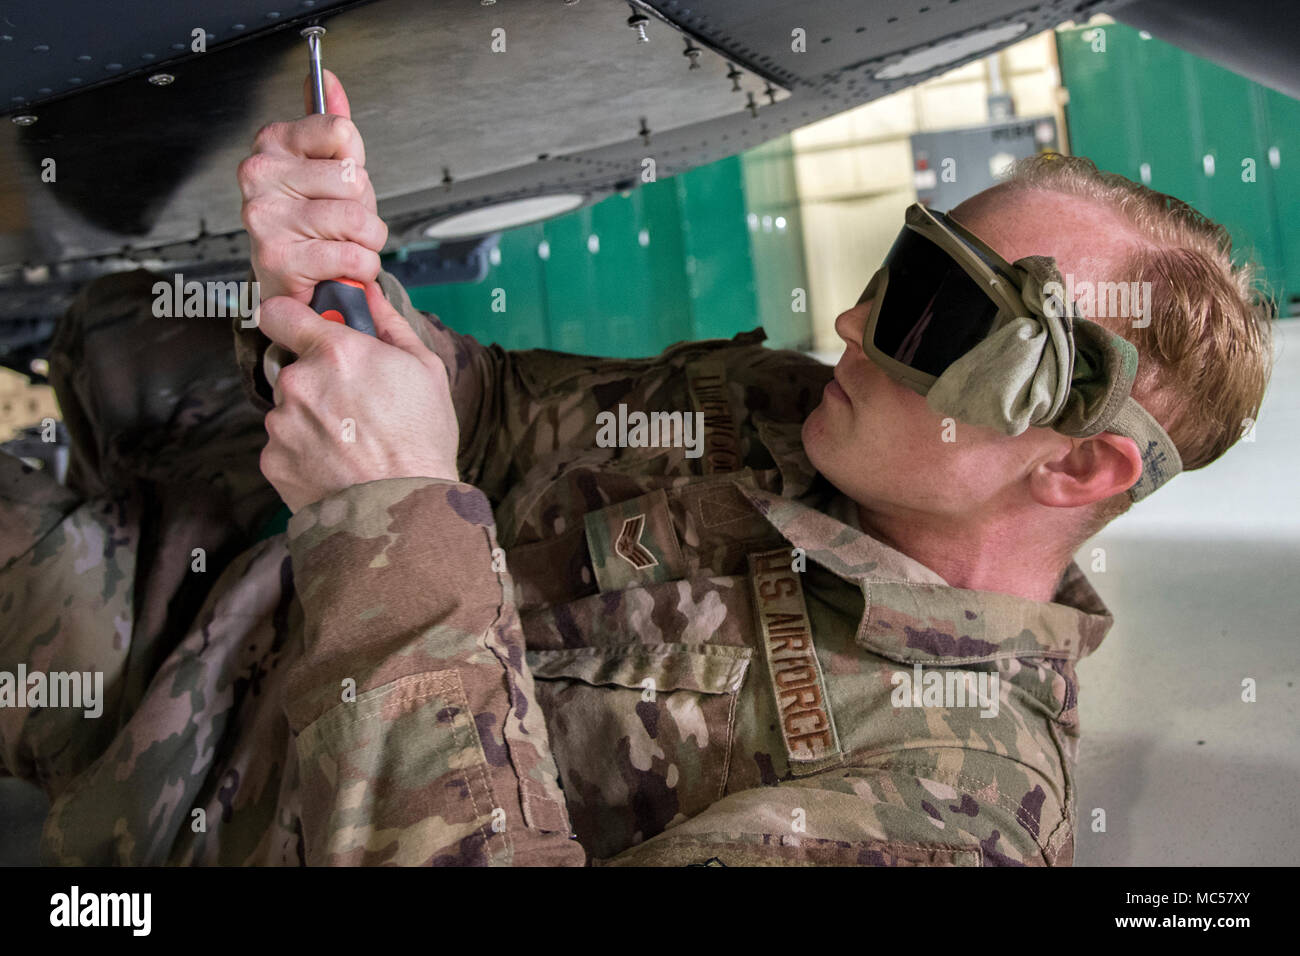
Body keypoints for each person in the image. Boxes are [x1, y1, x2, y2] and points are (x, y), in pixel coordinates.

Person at [0, 71, 1272, 866]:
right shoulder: (798, 417)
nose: (846, 326)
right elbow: (494, 414)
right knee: (125, 316)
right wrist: (339, 287)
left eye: (929, 318)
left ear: (1078, 466)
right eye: (901, 269)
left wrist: (381, 516)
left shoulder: (944, 808)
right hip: (258, 524)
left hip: (195, 749)